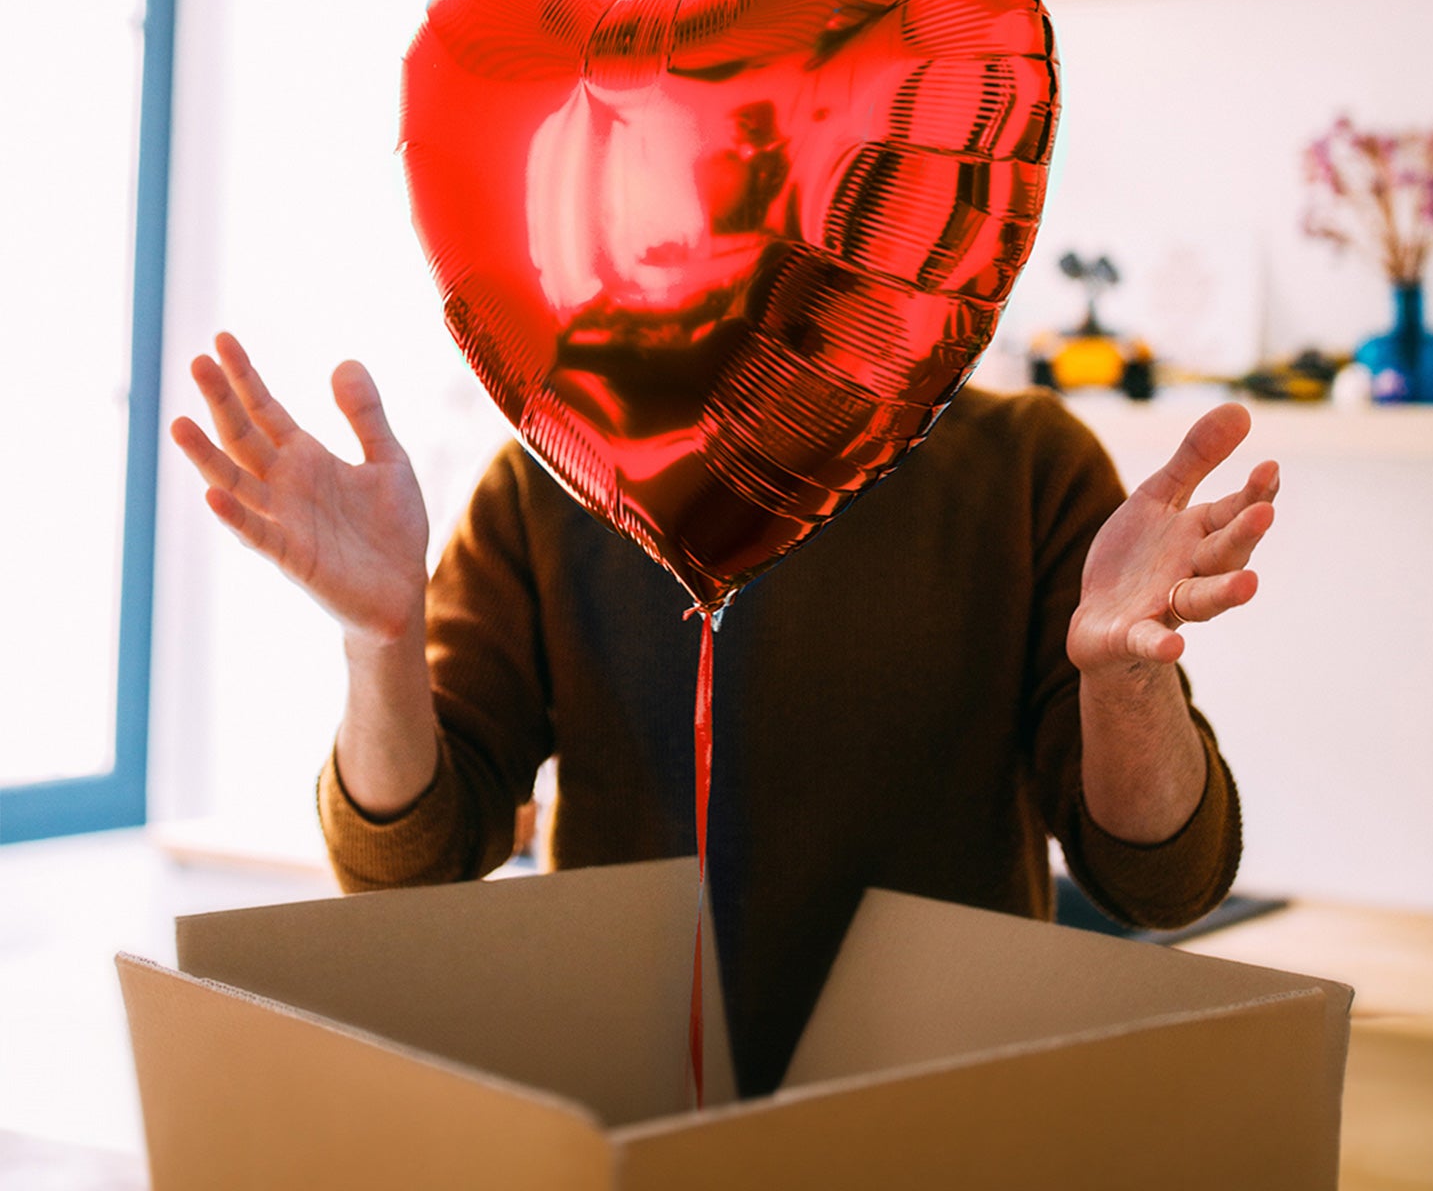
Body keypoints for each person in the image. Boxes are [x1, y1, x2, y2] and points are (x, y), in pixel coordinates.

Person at [172, 331, 1278, 1096]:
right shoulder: (556, 482)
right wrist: (380, 639)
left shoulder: (1028, 466)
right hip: (630, 1118)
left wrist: (1126, 677)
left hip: (948, 1121)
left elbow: (1162, 881)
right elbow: (402, 863)